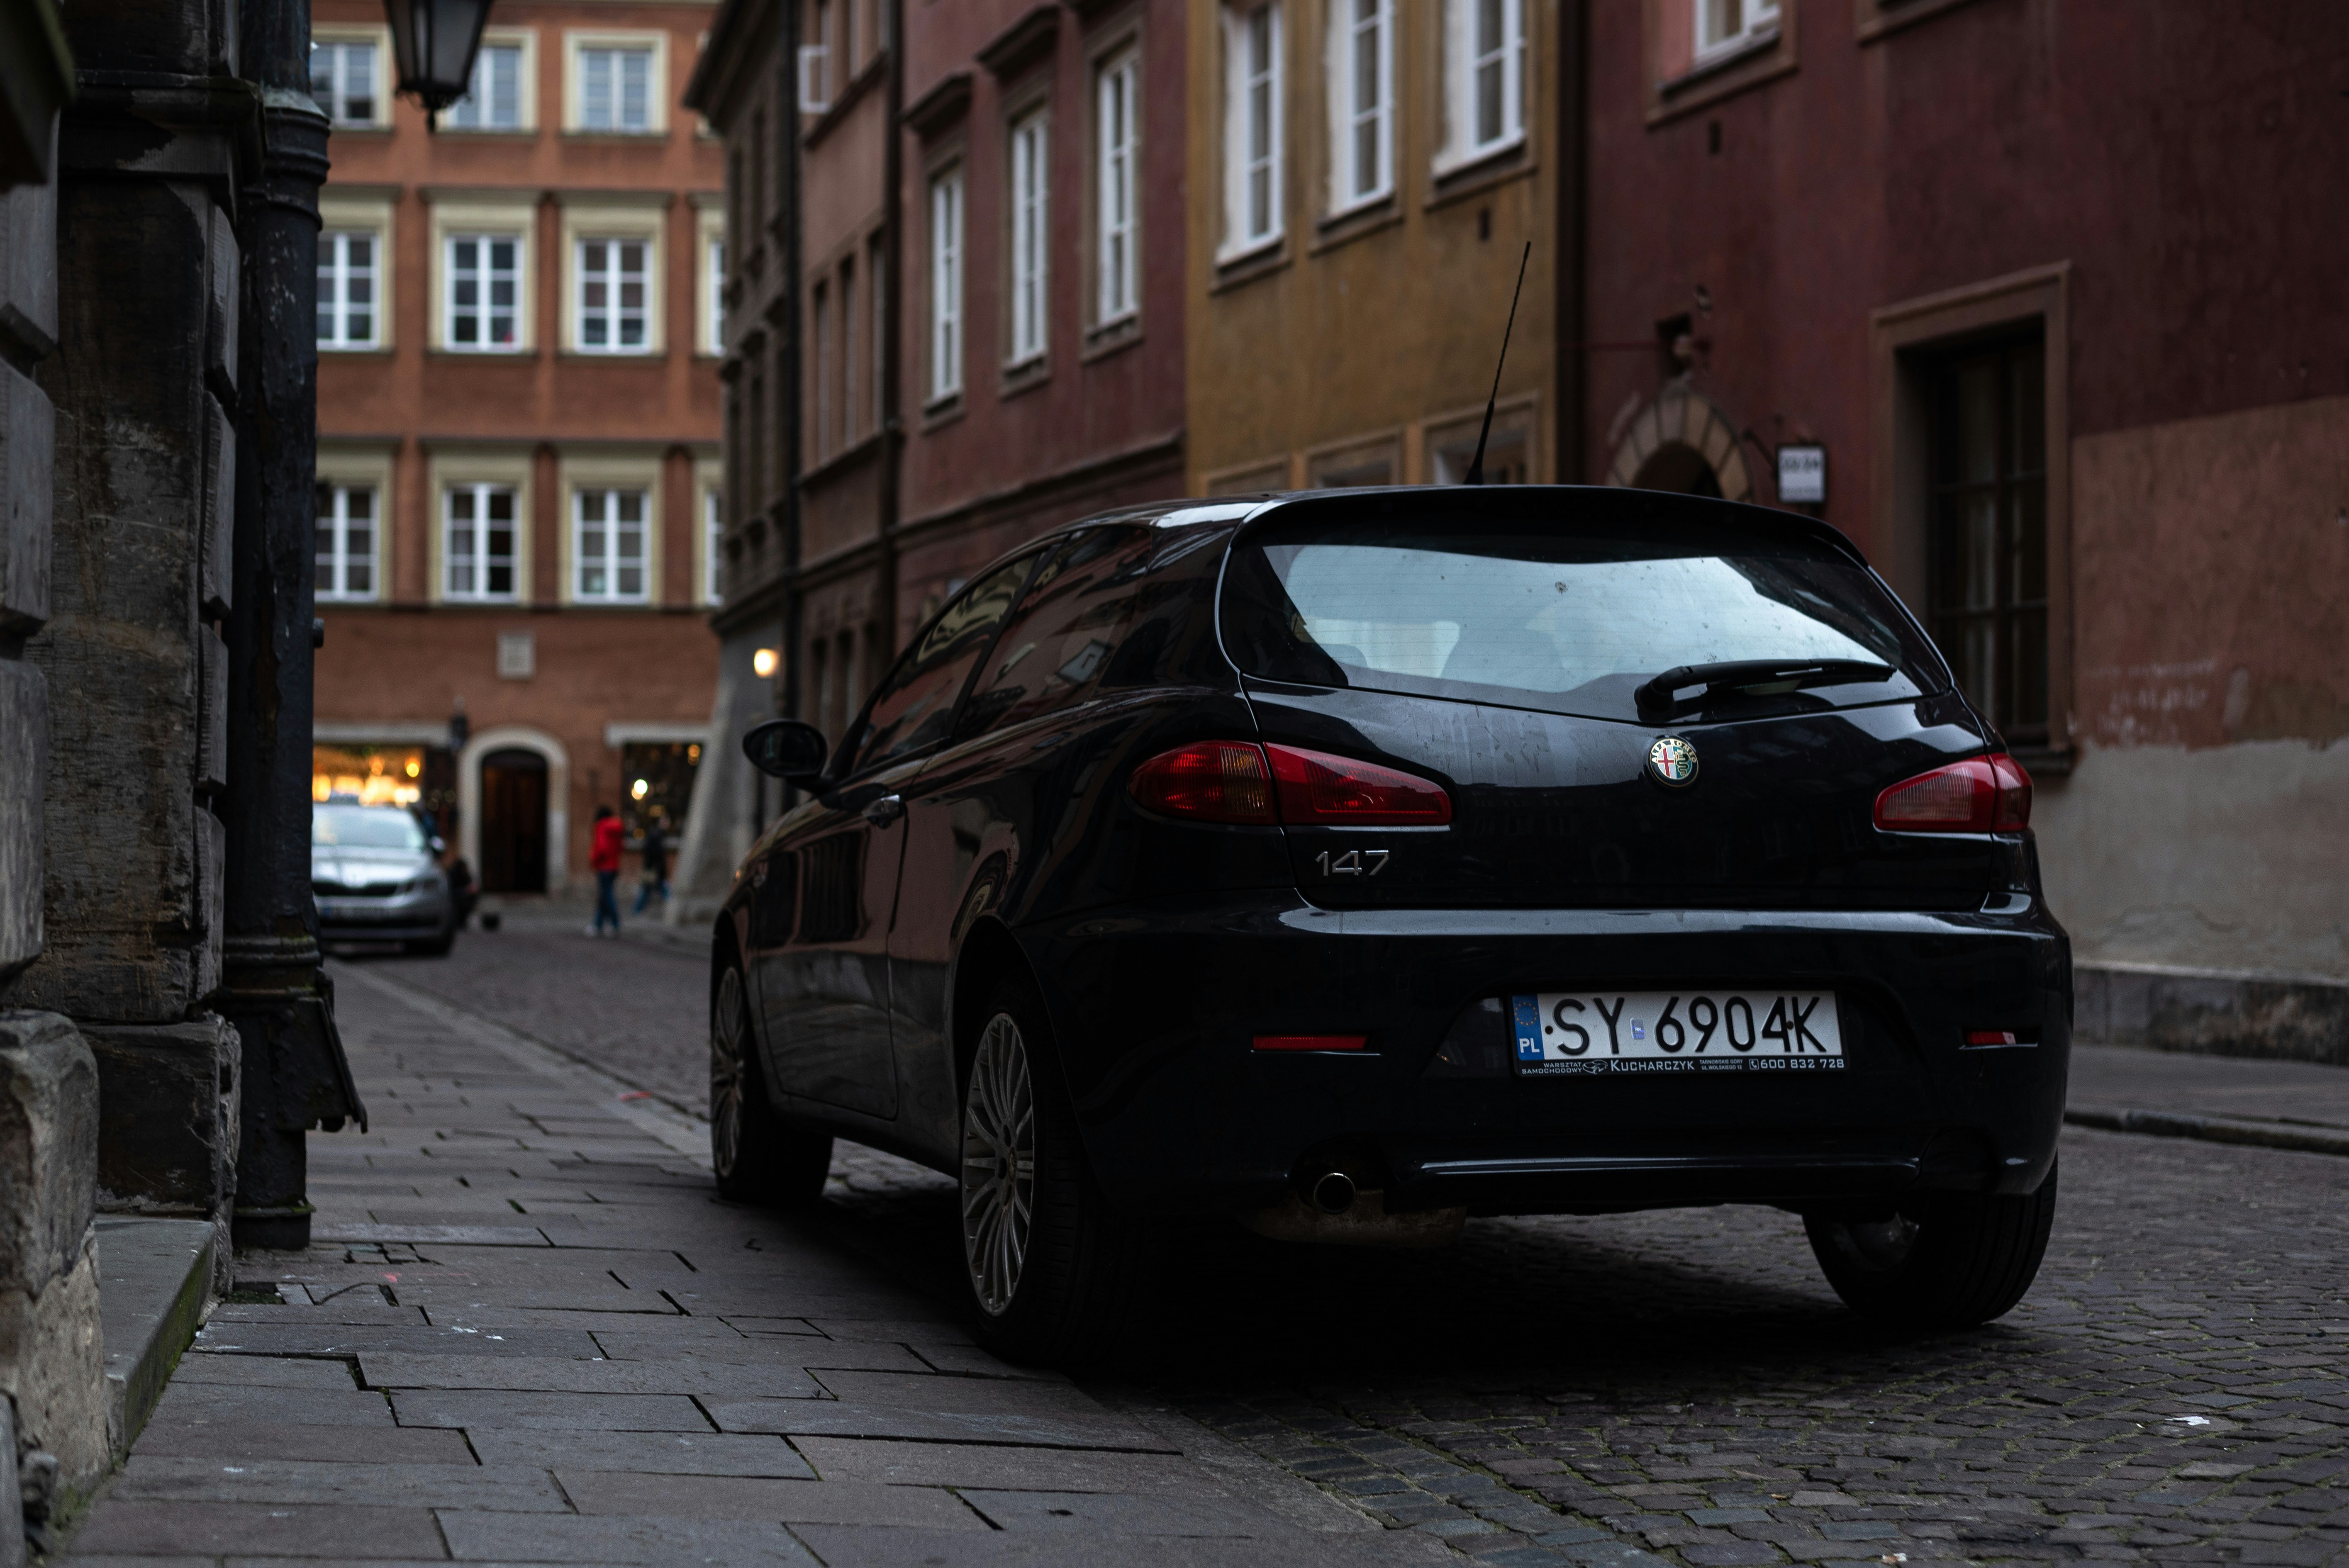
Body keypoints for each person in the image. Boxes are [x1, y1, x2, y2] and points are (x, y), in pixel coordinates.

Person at [587, 805, 624, 937]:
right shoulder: (617, 828)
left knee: (607, 896)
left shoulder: (601, 826)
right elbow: (621, 847)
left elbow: (601, 847)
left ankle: (615, 923)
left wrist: (594, 860)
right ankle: (597, 925)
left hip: (604, 867)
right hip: (614, 866)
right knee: (604, 896)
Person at [632, 814, 670, 914]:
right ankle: (673, 910)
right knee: (661, 890)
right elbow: (653, 854)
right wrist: (652, 867)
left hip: (654, 869)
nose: (667, 824)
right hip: (655, 869)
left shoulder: (658, 834)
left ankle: (637, 911)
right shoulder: (657, 835)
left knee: (647, 890)